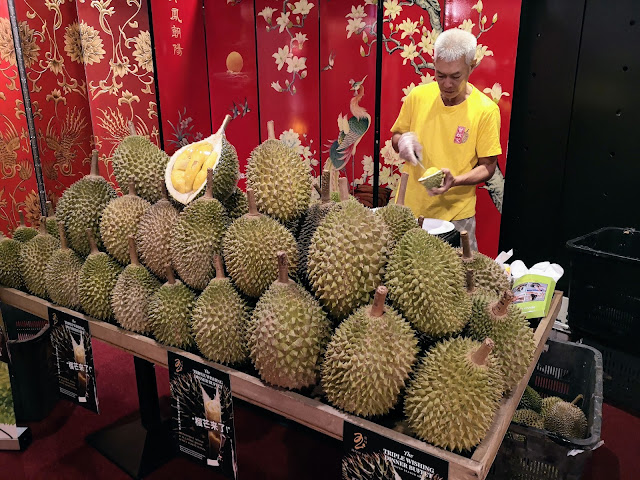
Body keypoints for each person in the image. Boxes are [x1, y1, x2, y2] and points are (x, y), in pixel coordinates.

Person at [391, 28, 502, 250]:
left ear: (471, 66)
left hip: (456, 216)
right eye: (440, 75)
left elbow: (488, 167)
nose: (447, 84)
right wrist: (401, 143)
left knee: (460, 279)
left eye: (455, 76)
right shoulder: (418, 97)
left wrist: (456, 181)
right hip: (410, 210)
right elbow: (396, 135)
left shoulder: (486, 110)